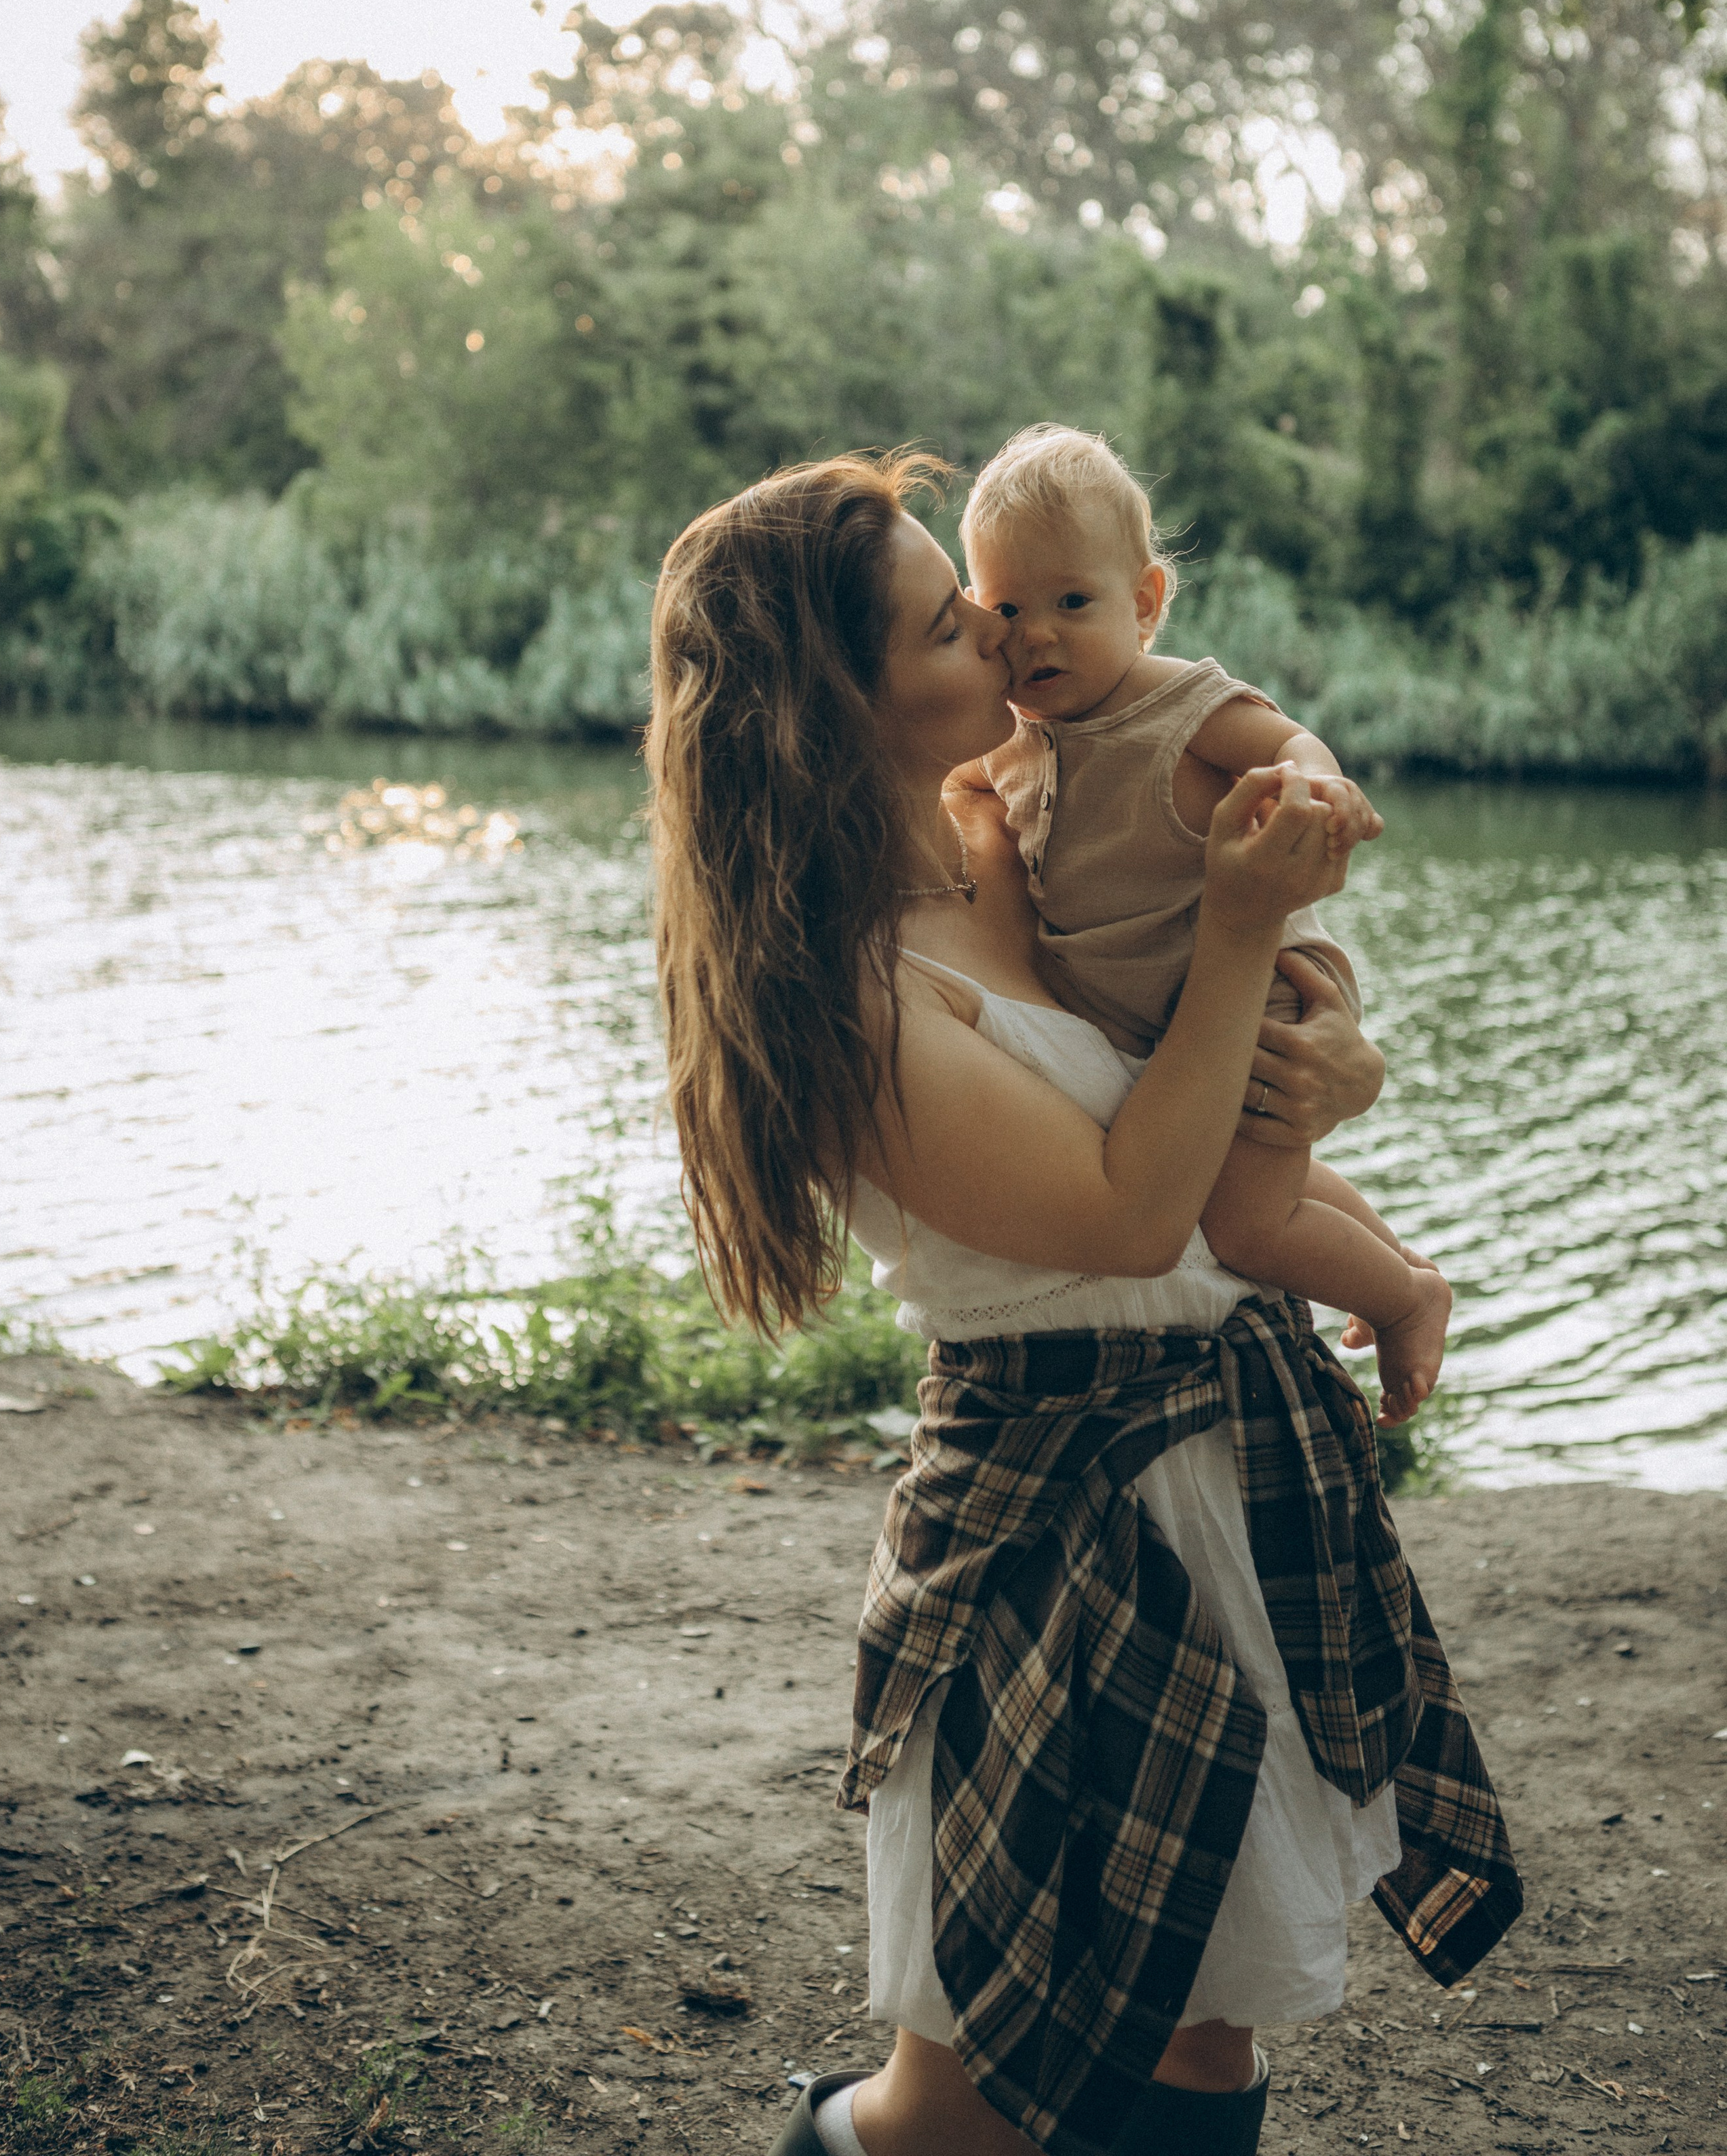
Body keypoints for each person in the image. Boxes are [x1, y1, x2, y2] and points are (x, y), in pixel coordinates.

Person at [646, 453, 1521, 2156]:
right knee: (969, 2097)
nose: (991, 623)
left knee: (1207, 2033)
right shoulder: (838, 990)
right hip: (1049, 1519)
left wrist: (1321, 1050)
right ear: (838, 701)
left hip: (1226, 1475)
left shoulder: (1011, 830)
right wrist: (1245, 931)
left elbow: (1178, 1115)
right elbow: (1129, 1213)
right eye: (938, 619)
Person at [958, 423, 1448, 1426]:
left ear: (1144, 604)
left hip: (1264, 992)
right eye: (1005, 607)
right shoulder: (1008, 749)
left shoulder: (1172, 704)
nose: (1036, 633)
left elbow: (1286, 738)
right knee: (1267, 1178)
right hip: (1171, 1021)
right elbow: (967, 791)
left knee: (1246, 1226)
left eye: (1072, 602)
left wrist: (1319, 785)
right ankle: (1400, 1264)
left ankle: (1403, 1298)